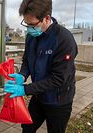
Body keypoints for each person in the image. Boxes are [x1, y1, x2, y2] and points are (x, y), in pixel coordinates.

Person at [4, 0, 78, 133]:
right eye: (26, 24)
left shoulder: (64, 39)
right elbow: (27, 60)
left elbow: (58, 78)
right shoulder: (31, 37)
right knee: (27, 127)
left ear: (47, 18)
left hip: (59, 100)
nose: (29, 29)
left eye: (32, 25)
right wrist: (22, 75)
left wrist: (25, 90)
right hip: (39, 96)